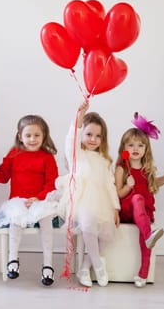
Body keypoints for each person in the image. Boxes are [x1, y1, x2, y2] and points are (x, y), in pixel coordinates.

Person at [0, 115, 59, 286]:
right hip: (18, 200)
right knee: (15, 217)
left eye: (37, 135)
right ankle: (13, 260)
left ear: (44, 135)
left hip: (39, 200)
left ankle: (48, 265)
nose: (32, 139)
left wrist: (38, 198)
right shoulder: (14, 154)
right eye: (28, 135)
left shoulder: (47, 157)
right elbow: (2, 176)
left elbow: (51, 184)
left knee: (46, 217)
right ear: (20, 136)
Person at [56, 100, 120, 287]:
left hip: (101, 201)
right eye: (89, 134)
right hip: (81, 198)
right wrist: (78, 118)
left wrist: (115, 208)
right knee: (88, 221)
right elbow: (71, 142)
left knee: (107, 232)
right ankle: (99, 266)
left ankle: (85, 267)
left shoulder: (104, 160)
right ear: (81, 134)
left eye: (98, 136)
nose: (93, 139)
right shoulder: (77, 155)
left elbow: (110, 185)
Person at [115, 113, 164, 288]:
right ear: (124, 148)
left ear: (146, 149)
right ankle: (149, 235)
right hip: (127, 208)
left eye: (140, 145)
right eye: (130, 145)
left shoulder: (147, 169)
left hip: (143, 212)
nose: (135, 148)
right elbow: (117, 193)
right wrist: (128, 187)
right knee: (137, 197)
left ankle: (143, 273)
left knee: (144, 228)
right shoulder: (121, 168)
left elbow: (153, 184)